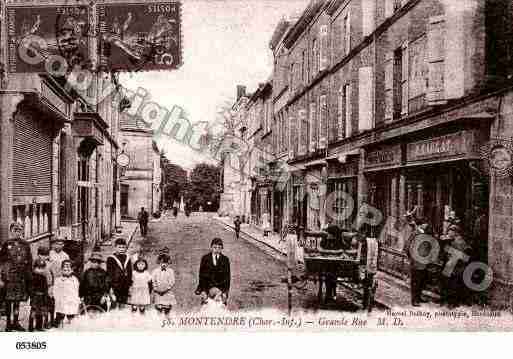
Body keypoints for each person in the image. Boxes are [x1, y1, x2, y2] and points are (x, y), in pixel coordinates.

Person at [0, 222, 32, 331]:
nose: (17, 233)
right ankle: (8, 323)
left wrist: (28, 277)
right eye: (15, 230)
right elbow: (2, 261)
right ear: (11, 231)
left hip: (20, 277)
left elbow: (29, 262)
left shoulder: (25, 245)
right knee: (9, 301)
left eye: (19, 231)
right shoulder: (6, 244)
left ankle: (16, 322)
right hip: (9, 278)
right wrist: (2, 277)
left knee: (17, 301)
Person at [195, 238, 231, 304]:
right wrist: (203, 290)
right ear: (211, 247)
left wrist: (225, 292)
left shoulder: (225, 260)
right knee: (207, 307)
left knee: (219, 308)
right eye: (215, 247)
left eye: (219, 248)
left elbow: (227, 278)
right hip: (208, 287)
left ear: (222, 248)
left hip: (220, 288)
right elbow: (202, 276)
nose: (217, 249)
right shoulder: (205, 258)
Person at [106, 238, 133, 308]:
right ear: (115, 247)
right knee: (114, 304)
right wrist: (110, 287)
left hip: (125, 285)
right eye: (119, 247)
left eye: (123, 247)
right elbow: (109, 274)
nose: (121, 249)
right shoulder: (111, 259)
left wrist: (130, 285)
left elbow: (130, 273)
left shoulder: (127, 258)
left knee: (124, 303)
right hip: (115, 285)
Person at [53, 260, 80, 327]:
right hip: (62, 301)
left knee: (71, 316)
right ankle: (58, 325)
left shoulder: (74, 280)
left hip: (71, 301)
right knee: (60, 315)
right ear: (61, 270)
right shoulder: (58, 280)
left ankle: (70, 325)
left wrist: (76, 299)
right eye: (64, 270)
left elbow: (76, 290)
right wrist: (57, 299)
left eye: (68, 269)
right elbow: (55, 291)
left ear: (72, 270)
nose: (66, 271)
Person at [151, 248, 177, 315]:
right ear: (159, 262)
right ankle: (159, 322)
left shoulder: (170, 271)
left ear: (168, 263)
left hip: (167, 292)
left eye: (165, 263)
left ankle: (167, 321)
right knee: (158, 308)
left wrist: (166, 289)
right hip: (158, 292)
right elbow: (153, 281)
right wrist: (156, 289)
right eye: (162, 262)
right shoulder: (155, 271)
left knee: (167, 308)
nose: (163, 264)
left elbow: (172, 281)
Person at [35, 246, 54, 329]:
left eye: (46, 255)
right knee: (38, 308)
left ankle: (46, 323)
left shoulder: (48, 264)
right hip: (40, 290)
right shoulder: (38, 264)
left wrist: (51, 286)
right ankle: (38, 325)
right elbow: (36, 272)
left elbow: (51, 275)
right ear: (39, 255)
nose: (45, 257)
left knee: (47, 307)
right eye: (43, 255)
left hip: (48, 288)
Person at [28, 259, 49, 332]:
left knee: (40, 311)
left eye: (42, 268)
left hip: (42, 296)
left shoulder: (44, 277)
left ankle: (39, 326)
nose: (40, 270)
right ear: (34, 268)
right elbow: (30, 287)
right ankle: (30, 326)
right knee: (33, 311)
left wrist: (45, 295)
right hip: (35, 296)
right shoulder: (32, 277)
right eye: (38, 268)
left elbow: (45, 287)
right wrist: (32, 295)